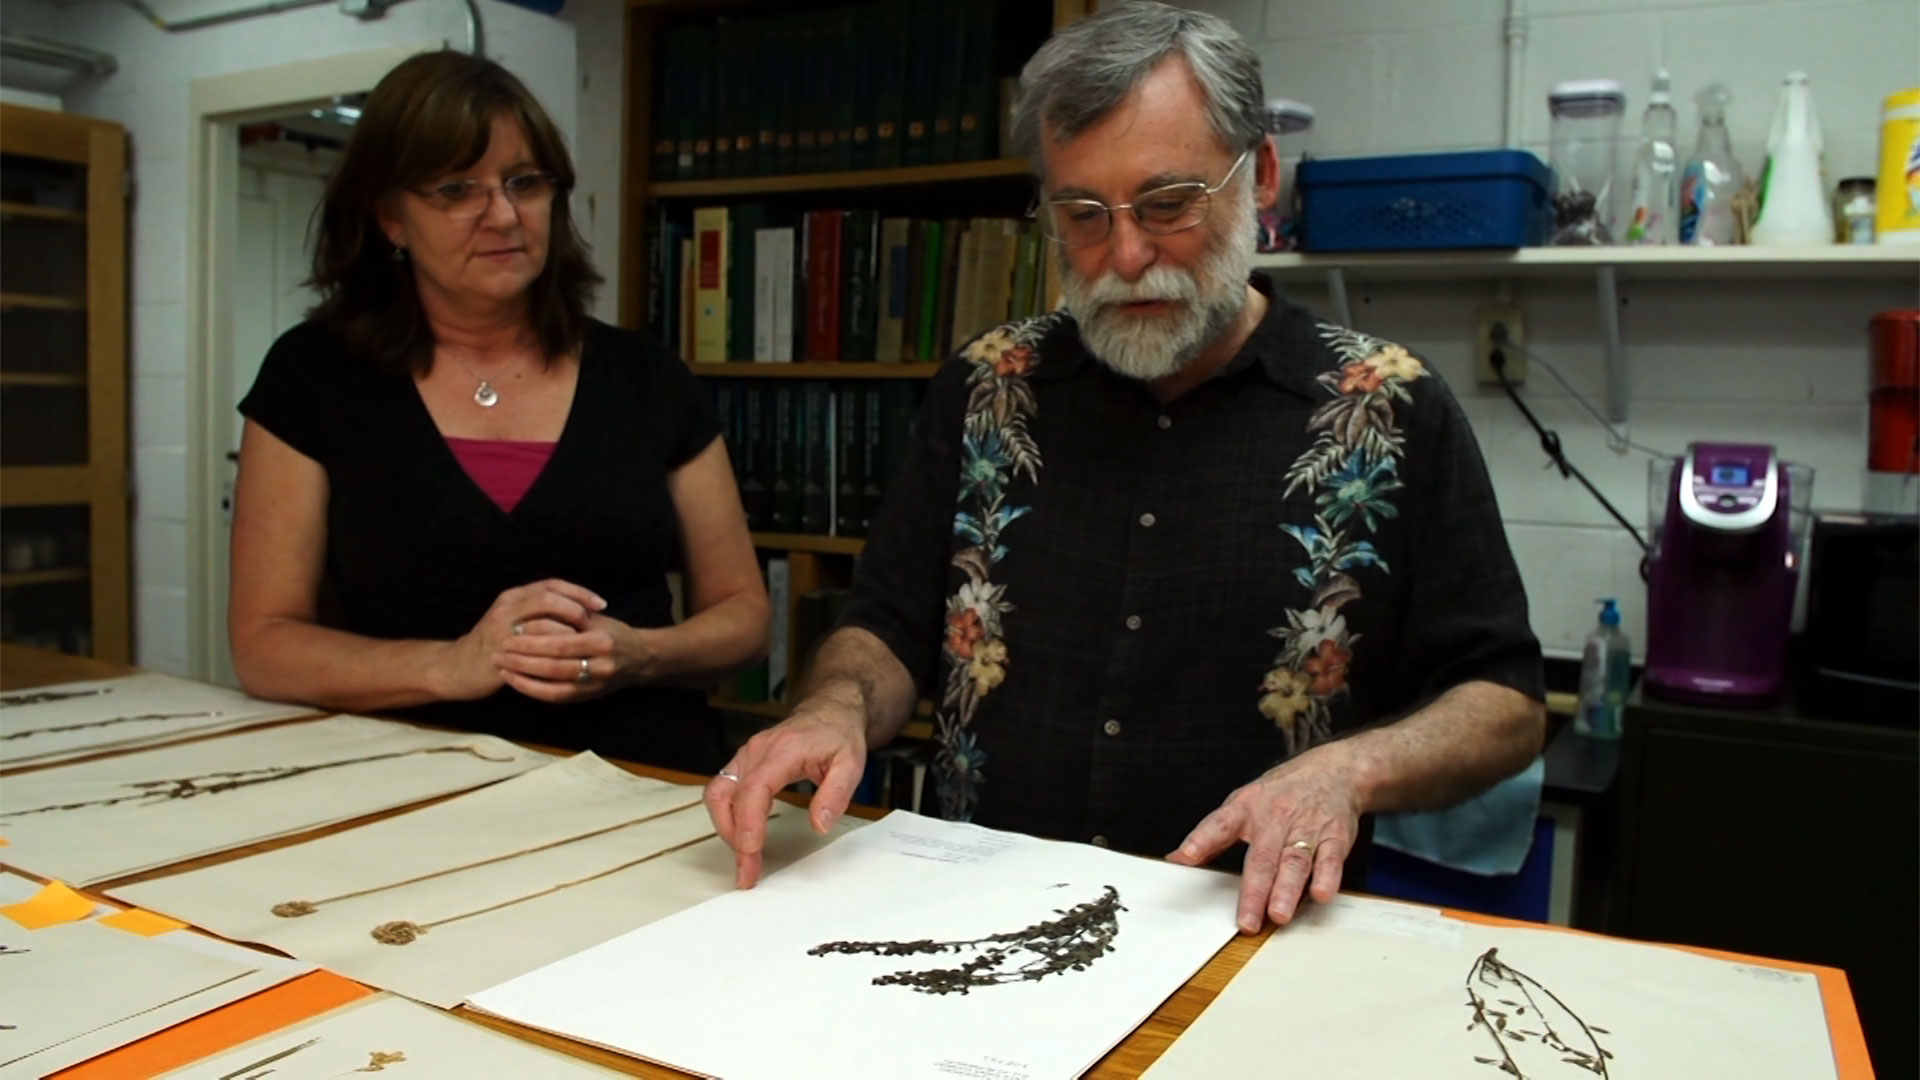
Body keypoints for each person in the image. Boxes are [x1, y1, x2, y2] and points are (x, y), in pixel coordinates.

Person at [707, 1, 1548, 933]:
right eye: (1082, 215)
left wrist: (1348, 771)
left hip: (1244, 936)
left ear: (1260, 176)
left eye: (1168, 204)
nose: (1127, 254)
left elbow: (1504, 700)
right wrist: (834, 708)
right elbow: (889, 629)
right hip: (970, 919)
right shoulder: (987, 388)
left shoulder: (1388, 407)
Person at [229, 51, 767, 775]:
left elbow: (744, 615)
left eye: (524, 182)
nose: (505, 215)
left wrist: (639, 654)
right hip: (404, 788)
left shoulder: (646, 376)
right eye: (457, 189)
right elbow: (264, 646)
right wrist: (450, 665)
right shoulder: (313, 376)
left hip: (640, 780)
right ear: (391, 217)